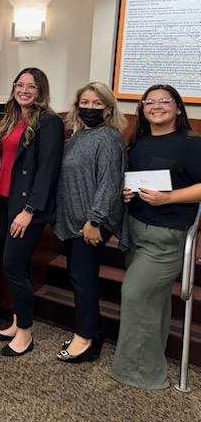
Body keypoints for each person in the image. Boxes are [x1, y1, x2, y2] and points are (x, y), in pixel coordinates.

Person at [112, 84, 201, 389]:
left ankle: (139, 374)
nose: (157, 106)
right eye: (150, 102)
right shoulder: (139, 142)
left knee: (135, 294)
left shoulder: (191, 144)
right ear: (142, 109)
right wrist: (127, 193)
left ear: (178, 108)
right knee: (154, 301)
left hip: (166, 236)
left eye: (165, 101)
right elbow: (135, 181)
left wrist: (169, 198)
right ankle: (149, 366)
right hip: (136, 230)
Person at [0, 68, 63, 356]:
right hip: (3, 201)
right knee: (14, 266)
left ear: (41, 90)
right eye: (20, 84)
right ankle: (17, 322)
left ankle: (26, 333)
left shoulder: (49, 122)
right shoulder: (11, 118)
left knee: (14, 266)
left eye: (31, 86)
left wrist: (30, 210)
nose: (24, 90)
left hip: (26, 208)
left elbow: (47, 170)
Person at [54, 82, 126, 362]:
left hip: (91, 223)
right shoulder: (78, 136)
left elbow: (110, 183)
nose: (90, 108)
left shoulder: (109, 138)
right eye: (85, 102)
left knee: (83, 281)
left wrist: (95, 220)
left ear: (108, 108)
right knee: (79, 278)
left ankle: (85, 339)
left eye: (97, 103)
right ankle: (91, 332)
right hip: (73, 221)